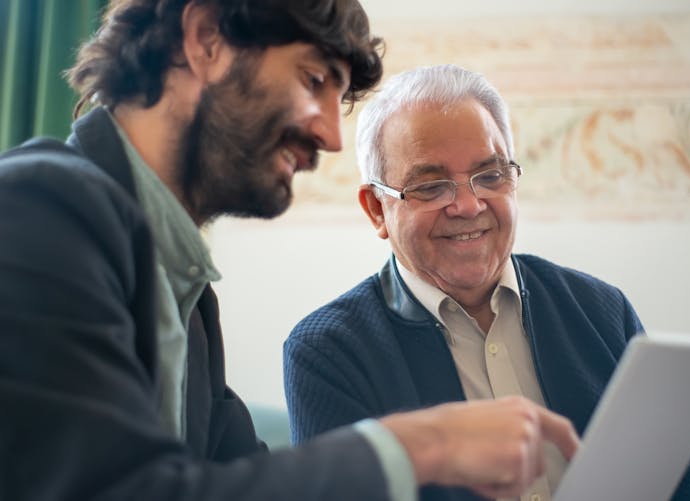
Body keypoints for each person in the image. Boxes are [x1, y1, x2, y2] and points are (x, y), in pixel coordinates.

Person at [0, 3, 579, 501]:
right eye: (313, 80)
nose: (330, 135)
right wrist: (428, 443)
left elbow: (242, 482)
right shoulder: (37, 208)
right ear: (206, 40)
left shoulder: (189, 298)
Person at [283, 64, 690, 501]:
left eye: (490, 176)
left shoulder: (602, 310)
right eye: (432, 186)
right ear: (377, 209)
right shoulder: (327, 353)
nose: (469, 205)